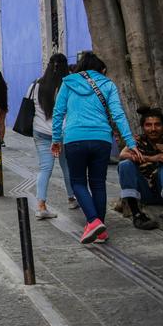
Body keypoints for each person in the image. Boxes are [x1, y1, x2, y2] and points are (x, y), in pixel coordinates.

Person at [51, 52, 141, 244]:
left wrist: (56, 138)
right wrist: (130, 143)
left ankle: (93, 221)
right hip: (101, 139)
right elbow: (118, 115)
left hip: (74, 138)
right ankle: (100, 231)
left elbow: (58, 113)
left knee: (77, 182)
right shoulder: (107, 84)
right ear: (101, 70)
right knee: (98, 183)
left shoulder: (68, 82)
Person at [118, 106, 163, 230]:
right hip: (146, 192)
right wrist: (153, 158)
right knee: (125, 165)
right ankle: (137, 214)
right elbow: (122, 155)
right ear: (143, 127)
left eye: (157, 125)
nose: (153, 129)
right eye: (148, 125)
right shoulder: (137, 141)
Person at [29, 54, 77, 219]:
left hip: (41, 132)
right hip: (63, 133)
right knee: (67, 167)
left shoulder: (35, 85)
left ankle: (41, 206)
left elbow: (30, 107)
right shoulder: (70, 85)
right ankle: (72, 198)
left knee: (45, 169)